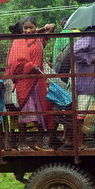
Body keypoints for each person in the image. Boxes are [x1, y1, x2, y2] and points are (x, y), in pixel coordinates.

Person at [5, 16, 56, 150]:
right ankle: (22, 142)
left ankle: (39, 142)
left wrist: (38, 31)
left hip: (38, 83)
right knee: (25, 111)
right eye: (25, 28)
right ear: (21, 30)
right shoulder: (18, 42)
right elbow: (14, 63)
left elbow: (52, 26)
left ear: (36, 27)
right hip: (24, 83)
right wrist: (30, 66)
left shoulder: (39, 40)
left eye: (31, 27)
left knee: (41, 111)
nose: (28, 31)